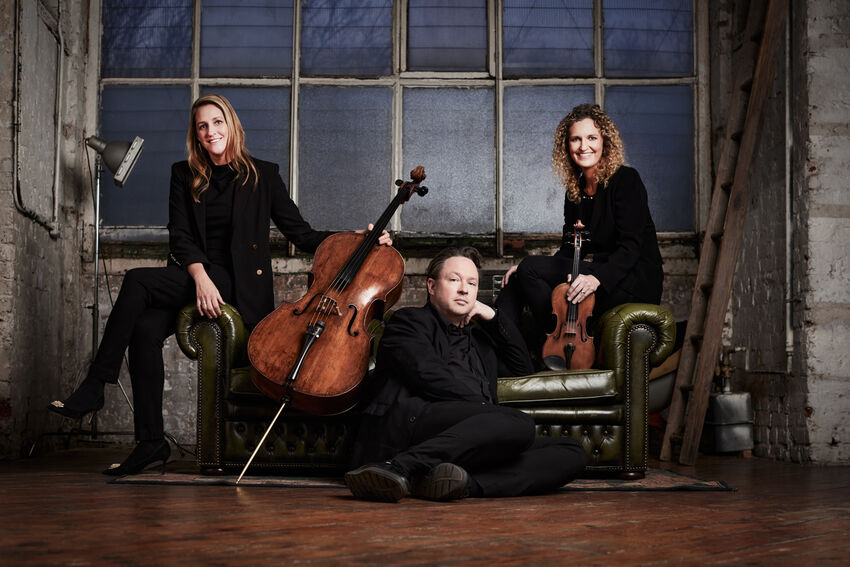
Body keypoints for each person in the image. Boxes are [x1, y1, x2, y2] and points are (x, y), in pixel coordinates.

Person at [49, 94, 391, 475]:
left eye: (217, 122)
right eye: (202, 125)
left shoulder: (263, 174)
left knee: (135, 281)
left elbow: (303, 234)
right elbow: (180, 236)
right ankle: (151, 443)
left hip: (238, 282)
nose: (211, 131)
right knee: (145, 331)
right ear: (195, 134)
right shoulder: (184, 174)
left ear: (231, 125)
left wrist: (362, 238)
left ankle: (96, 385)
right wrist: (200, 279)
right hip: (195, 275)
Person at [344, 246, 587, 502]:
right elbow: (427, 376)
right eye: (454, 280)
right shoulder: (408, 322)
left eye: (472, 283)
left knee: (571, 451)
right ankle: (396, 466)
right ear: (431, 286)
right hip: (415, 424)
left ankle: (455, 483)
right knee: (518, 423)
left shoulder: (481, 342)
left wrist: (494, 317)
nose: (464, 289)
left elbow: (522, 370)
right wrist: (488, 414)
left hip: (467, 442)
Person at [495, 103, 663, 360]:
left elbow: (632, 247)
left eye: (591, 138)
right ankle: (504, 353)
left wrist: (598, 279)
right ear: (567, 146)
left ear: (605, 141)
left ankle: (550, 338)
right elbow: (570, 249)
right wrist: (531, 268)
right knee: (518, 277)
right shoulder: (575, 191)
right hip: (599, 273)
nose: (584, 146)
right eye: (576, 139)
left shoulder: (626, 180)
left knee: (529, 267)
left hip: (631, 279)